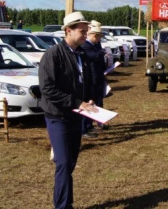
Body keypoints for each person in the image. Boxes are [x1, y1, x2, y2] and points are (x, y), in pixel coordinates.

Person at [39, 11, 99, 209]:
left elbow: (84, 81)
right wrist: (76, 102)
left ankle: (65, 202)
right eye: (82, 31)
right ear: (68, 31)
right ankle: (62, 206)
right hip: (58, 117)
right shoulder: (53, 55)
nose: (85, 34)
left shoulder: (81, 55)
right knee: (63, 163)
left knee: (70, 161)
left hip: (76, 116)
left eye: (86, 30)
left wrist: (88, 99)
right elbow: (47, 89)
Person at [82, 22, 110, 133]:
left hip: (98, 77)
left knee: (97, 101)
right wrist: (102, 52)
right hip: (91, 79)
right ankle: (85, 127)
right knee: (90, 102)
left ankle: (91, 124)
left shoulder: (94, 45)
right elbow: (92, 57)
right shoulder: (86, 46)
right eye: (98, 37)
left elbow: (98, 60)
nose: (99, 41)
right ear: (94, 36)